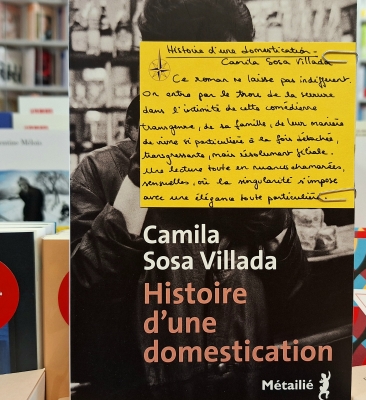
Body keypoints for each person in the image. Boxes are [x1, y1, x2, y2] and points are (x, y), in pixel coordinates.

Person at [70, 1, 309, 399]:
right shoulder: (99, 172)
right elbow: (83, 295)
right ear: (157, 68)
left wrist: (278, 226)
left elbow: (295, 294)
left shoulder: (255, 160)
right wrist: (139, 182)